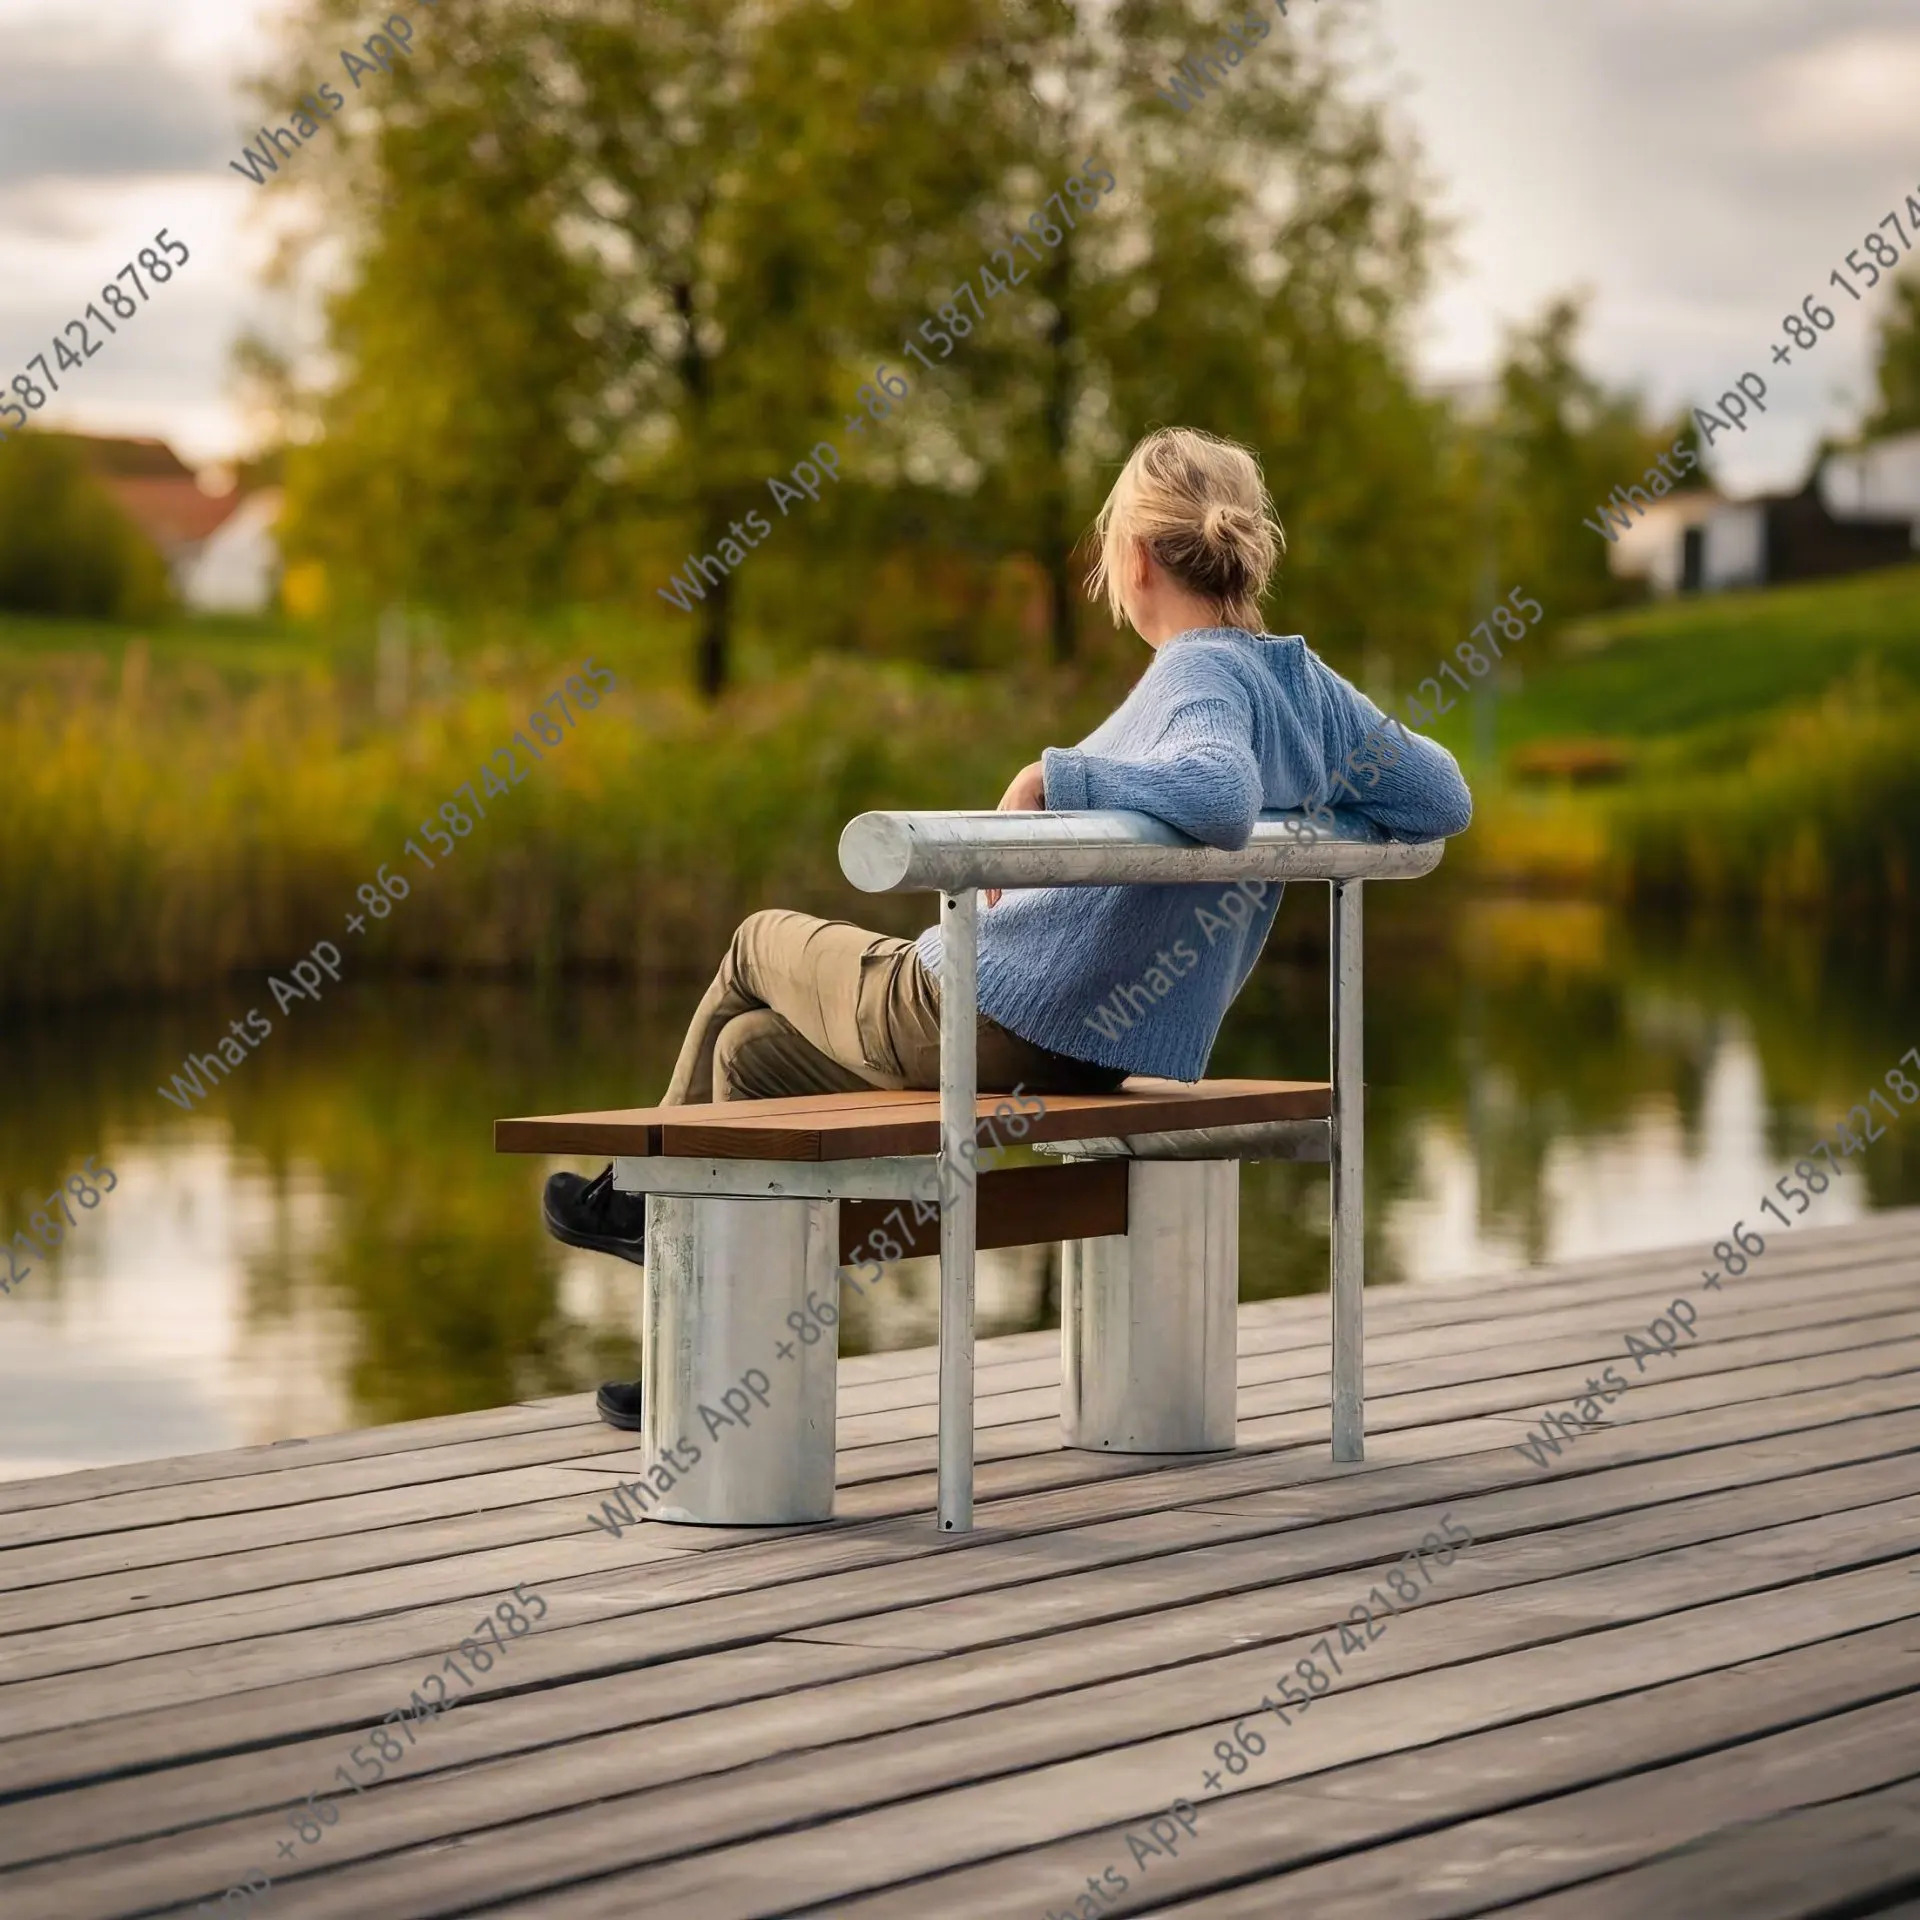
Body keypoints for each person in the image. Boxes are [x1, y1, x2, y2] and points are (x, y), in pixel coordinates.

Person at [546, 425, 1472, 1430]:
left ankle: (641, 1205)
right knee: (753, 1055)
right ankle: (701, 1368)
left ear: (1137, 557)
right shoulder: (1307, 688)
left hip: (977, 1010)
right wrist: (1317, 807)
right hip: (1088, 1050)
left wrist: (1055, 775)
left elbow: (1216, 790)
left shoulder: (1197, 675)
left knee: (753, 942)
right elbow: (1445, 797)